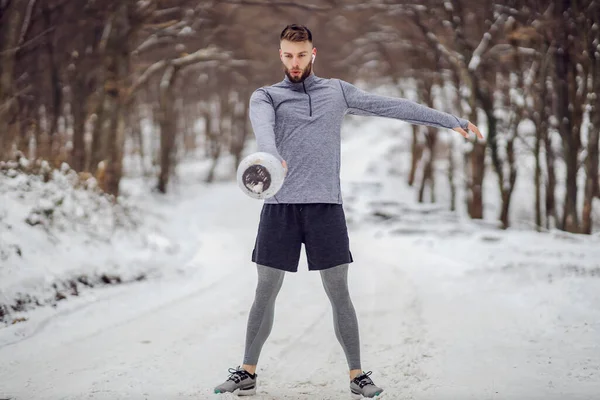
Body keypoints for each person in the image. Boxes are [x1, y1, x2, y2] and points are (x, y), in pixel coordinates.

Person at [214, 24, 483, 398]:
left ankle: (357, 374)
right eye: (288, 55)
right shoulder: (266, 97)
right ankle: (247, 371)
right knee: (266, 290)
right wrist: (271, 156)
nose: (295, 62)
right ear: (280, 55)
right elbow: (264, 132)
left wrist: (449, 119)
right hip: (280, 208)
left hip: (326, 207)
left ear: (313, 53)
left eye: (301, 54)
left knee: (339, 291)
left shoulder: (336, 92)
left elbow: (392, 107)